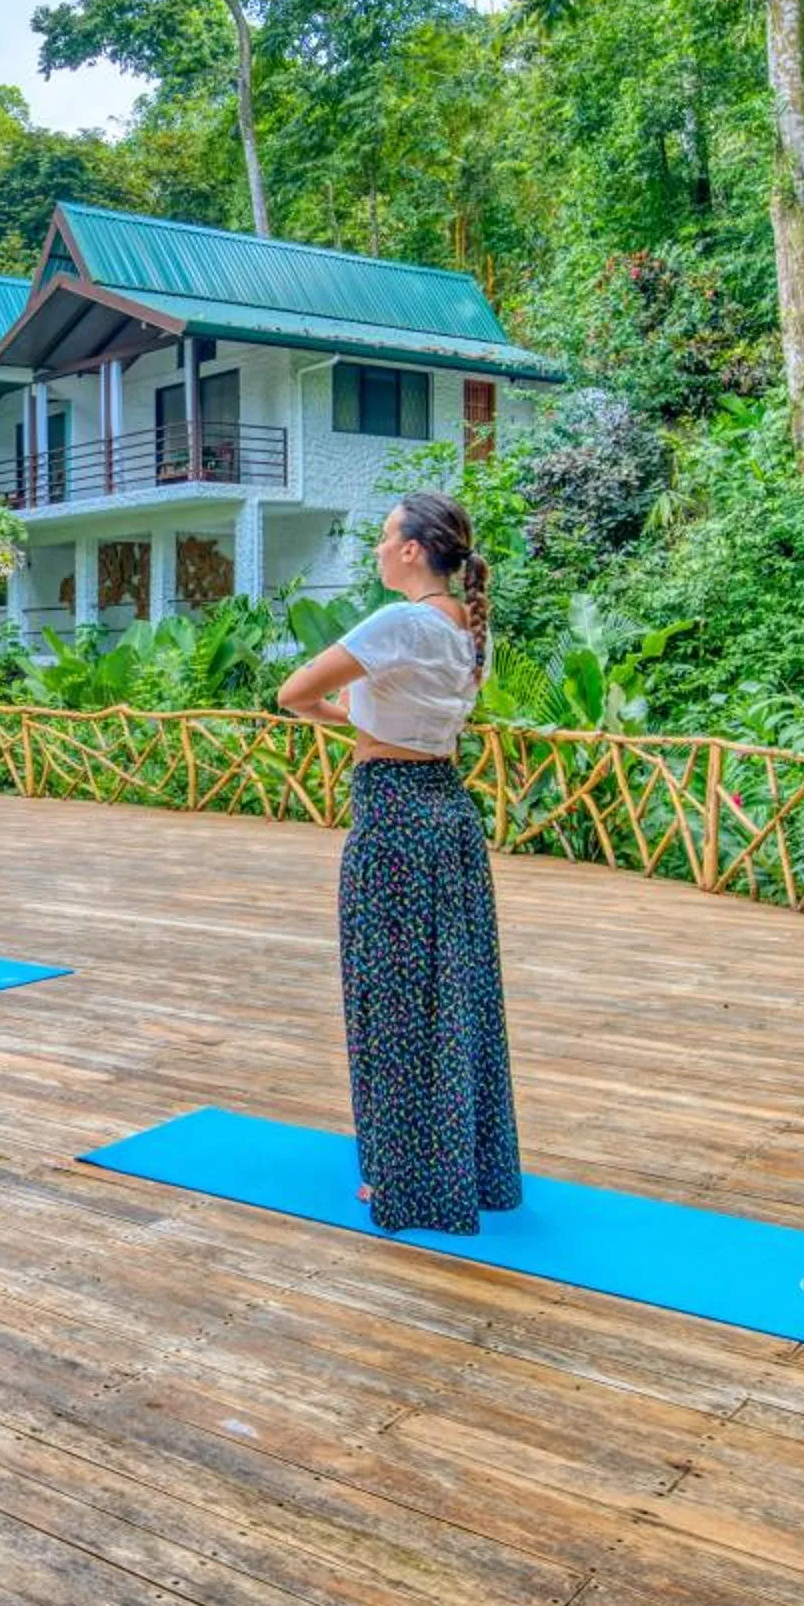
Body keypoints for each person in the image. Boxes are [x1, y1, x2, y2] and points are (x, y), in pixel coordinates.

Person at [275, 491, 521, 1234]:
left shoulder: (400, 622)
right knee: (454, 991)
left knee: (391, 996)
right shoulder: (467, 630)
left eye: (385, 538)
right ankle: (460, 1166)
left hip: (392, 819)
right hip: (448, 813)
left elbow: (292, 694)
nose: (378, 549)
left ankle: (405, 1175)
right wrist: (358, 711)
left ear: (413, 549)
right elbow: (410, 714)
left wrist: (335, 713)